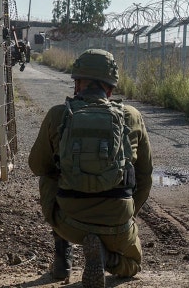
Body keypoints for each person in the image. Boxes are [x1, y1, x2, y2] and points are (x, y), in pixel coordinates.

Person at [29, 49, 153, 287]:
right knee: (133, 264)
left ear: (77, 84)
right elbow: (145, 177)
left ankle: (62, 258)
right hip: (117, 225)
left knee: (50, 172)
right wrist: (128, 215)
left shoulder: (59, 115)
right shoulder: (132, 117)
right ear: (111, 88)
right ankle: (108, 258)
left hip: (69, 223)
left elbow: (37, 166)